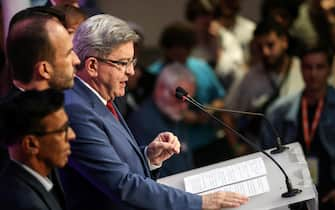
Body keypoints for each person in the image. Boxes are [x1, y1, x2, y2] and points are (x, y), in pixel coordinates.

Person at [60, 14, 248, 210]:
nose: (131, 72)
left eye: (132, 62)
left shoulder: (103, 95)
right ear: (92, 66)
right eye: (122, 63)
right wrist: (201, 202)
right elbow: (122, 185)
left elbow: (114, 165)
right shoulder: (77, 110)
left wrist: (148, 157)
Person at [261, 46, 335, 210]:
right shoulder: (278, 111)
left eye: (320, 67)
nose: (313, 74)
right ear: (300, 68)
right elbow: (267, 161)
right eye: (308, 67)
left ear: (330, 69)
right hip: (293, 196)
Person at [224, 20, 304, 154]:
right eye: (260, 47)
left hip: (300, 146)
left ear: (284, 41)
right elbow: (227, 114)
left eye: (270, 45)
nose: (265, 52)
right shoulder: (250, 77)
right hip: (263, 151)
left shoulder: (303, 69)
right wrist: (237, 148)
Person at [0, 89, 76, 210]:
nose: (72, 135)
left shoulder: (26, 183)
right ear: (30, 144)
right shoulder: (26, 203)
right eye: (63, 130)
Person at [128, 63, 196, 177]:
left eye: (187, 101)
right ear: (160, 89)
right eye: (178, 99)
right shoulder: (143, 123)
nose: (184, 107)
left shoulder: (172, 113)